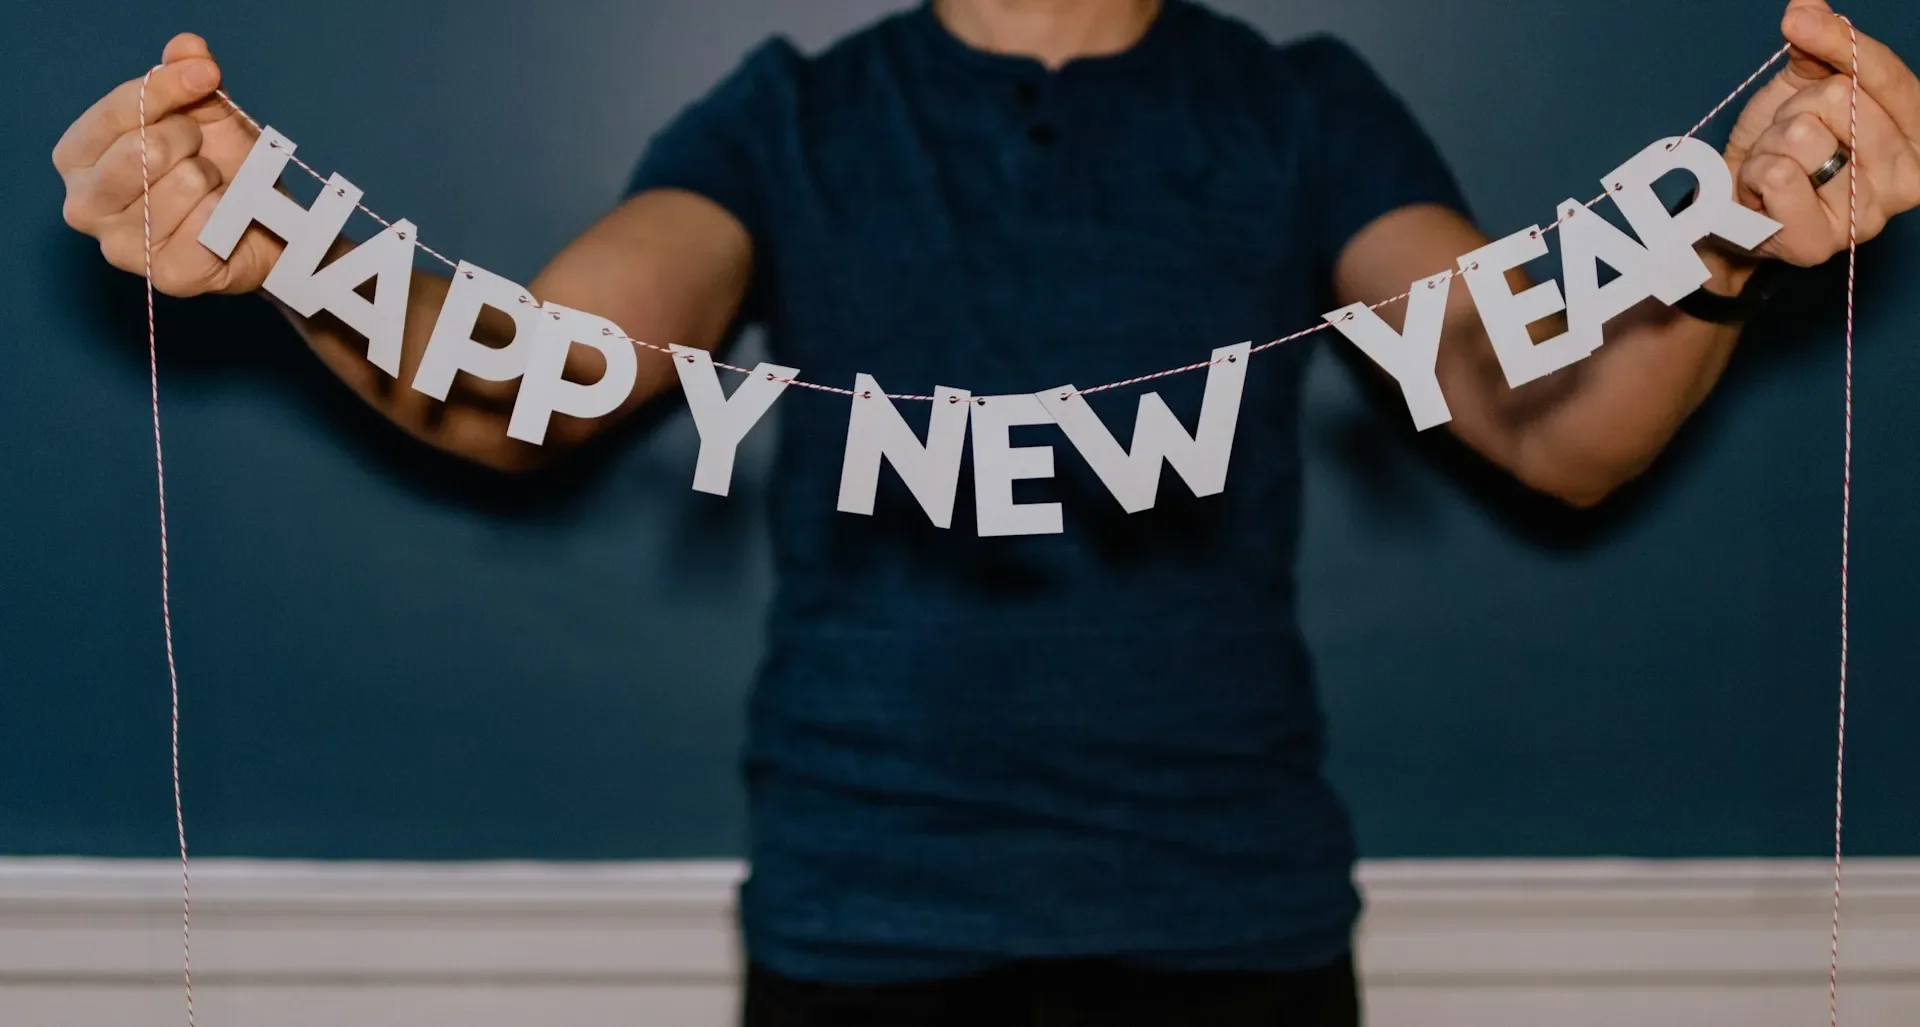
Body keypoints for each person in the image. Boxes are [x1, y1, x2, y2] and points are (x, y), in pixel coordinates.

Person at [52, 0, 1920, 1023]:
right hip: (861, 930)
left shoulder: (1299, 104)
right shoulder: (789, 112)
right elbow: (535, 377)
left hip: (1236, 932)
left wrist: (1727, 235)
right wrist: (290, 240)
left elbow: (1555, 422)